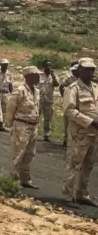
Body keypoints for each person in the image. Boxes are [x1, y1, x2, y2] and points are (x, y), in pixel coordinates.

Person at [62, 58, 98, 206]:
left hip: (94, 134)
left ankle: (82, 194)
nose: (90, 72)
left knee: (89, 164)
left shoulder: (95, 87)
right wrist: (90, 121)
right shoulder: (74, 88)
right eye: (87, 69)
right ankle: (68, 196)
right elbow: (69, 110)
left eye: (92, 70)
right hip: (80, 133)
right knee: (74, 163)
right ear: (80, 70)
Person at [6, 66, 41, 189]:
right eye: (36, 75)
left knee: (29, 154)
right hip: (21, 125)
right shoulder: (20, 91)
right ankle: (13, 181)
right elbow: (11, 108)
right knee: (18, 154)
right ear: (29, 76)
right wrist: (9, 124)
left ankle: (25, 179)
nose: (39, 77)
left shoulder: (36, 91)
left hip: (33, 126)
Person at [38, 60, 60, 142]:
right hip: (39, 99)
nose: (49, 67)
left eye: (50, 66)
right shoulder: (39, 75)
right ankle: (33, 133)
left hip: (49, 100)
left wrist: (53, 75)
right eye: (47, 66)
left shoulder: (54, 76)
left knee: (48, 119)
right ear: (44, 67)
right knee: (36, 117)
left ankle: (46, 135)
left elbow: (57, 84)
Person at [59, 63, 79, 147]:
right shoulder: (69, 79)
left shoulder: (84, 80)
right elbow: (61, 86)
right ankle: (66, 140)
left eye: (75, 70)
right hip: (70, 103)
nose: (73, 72)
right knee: (67, 122)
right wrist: (64, 96)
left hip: (79, 105)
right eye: (73, 70)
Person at [0, 59, 13, 132]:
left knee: (4, 110)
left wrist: (12, 94)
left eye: (6, 65)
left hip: (6, 94)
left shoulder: (9, 74)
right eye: (4, 64)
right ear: (0, 65)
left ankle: (2, 125)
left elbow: (10, 85)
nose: (5, 66)